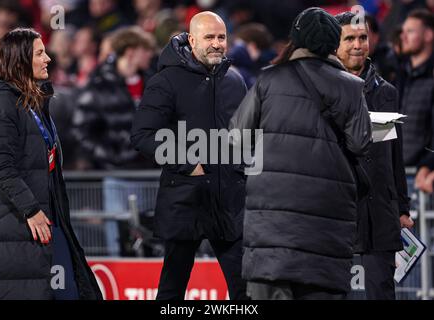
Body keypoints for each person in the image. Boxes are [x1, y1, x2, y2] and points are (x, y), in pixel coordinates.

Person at [229, 7, 372, 300]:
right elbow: (360, 144)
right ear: (334, 44)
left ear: (295, 40)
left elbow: (236, 137)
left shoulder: (268, 80)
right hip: (327, 229)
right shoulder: (353, 88)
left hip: (271, 231)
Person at [131, 11, 249, 300]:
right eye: (209, 37)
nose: (217, 43)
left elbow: (246, 134)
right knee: (173, 288)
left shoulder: (235, 81)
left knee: (245, 288)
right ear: (192, 39)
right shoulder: (166, 81)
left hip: (228, 202)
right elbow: (143, 135)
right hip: (185, 199)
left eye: (221, 37)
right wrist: (187, 163)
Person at [0, 28, 102, 300]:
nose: (48, 58)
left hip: (45, 219)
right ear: (21, 59)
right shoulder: (1, 103)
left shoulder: (31, 101)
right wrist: (31, 209)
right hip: (17, 223)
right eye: (39, 53)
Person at [335, 11, 414, 300]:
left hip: (380, 212)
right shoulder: (320, 92)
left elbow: (394, 155)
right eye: (350, 38)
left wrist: (402, 207)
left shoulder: (387, 93)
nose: (358, 44)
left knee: (381, 290)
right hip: (338, 212)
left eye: (363, 38)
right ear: (335, 45)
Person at [72, 27, 156, 170]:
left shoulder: (153, 83)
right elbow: (81, 130)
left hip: (149, 170)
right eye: (145, 50)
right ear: (130, 52)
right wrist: (111, 157)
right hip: (116, 174)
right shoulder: (99, 84)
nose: (150, 55)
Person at [396, 10, 434, 186]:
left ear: (428, 35)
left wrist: (428, 164)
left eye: (410, 31)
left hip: (423, 178)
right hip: (396, 175)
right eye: (403, 31)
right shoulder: (397, 77)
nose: (403, 36)